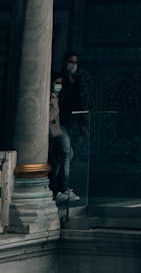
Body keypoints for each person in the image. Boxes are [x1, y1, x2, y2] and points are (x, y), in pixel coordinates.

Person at [56, 51, 86, 204]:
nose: (73, 65)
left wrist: (82, 124)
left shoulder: (76, 80)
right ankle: (62, 189)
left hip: (68, 124)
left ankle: (56, 187)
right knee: (66, 152)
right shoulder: (58, 78)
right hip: (57, 122)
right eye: (70, 62)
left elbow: (77, 103)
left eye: (75, 62)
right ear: (64, 62)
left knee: (67, 155)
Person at [48, 72, 65, 198]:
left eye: (60, 83)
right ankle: (54, 191)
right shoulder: (49, 98)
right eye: (57, 83)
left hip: (54, 133)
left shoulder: (55, 97)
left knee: (58, 160)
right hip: (47, 134)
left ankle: (57, 188)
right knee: (52, 163)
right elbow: (48, 117)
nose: (59, 85)